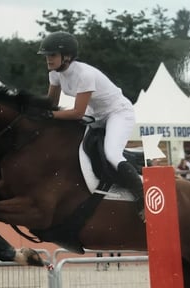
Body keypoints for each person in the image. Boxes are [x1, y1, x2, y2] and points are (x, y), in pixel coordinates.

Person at [37, 31, 142, 206]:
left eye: (52, 55)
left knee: (112, 154)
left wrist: (48, 114)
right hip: (96, 113)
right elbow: (51, 104)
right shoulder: (54, 73)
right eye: (46, 55)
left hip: (118, 112)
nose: (48, 59)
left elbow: (77, 112)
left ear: (67, 56)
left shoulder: (84, 75)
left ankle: (141, 194)